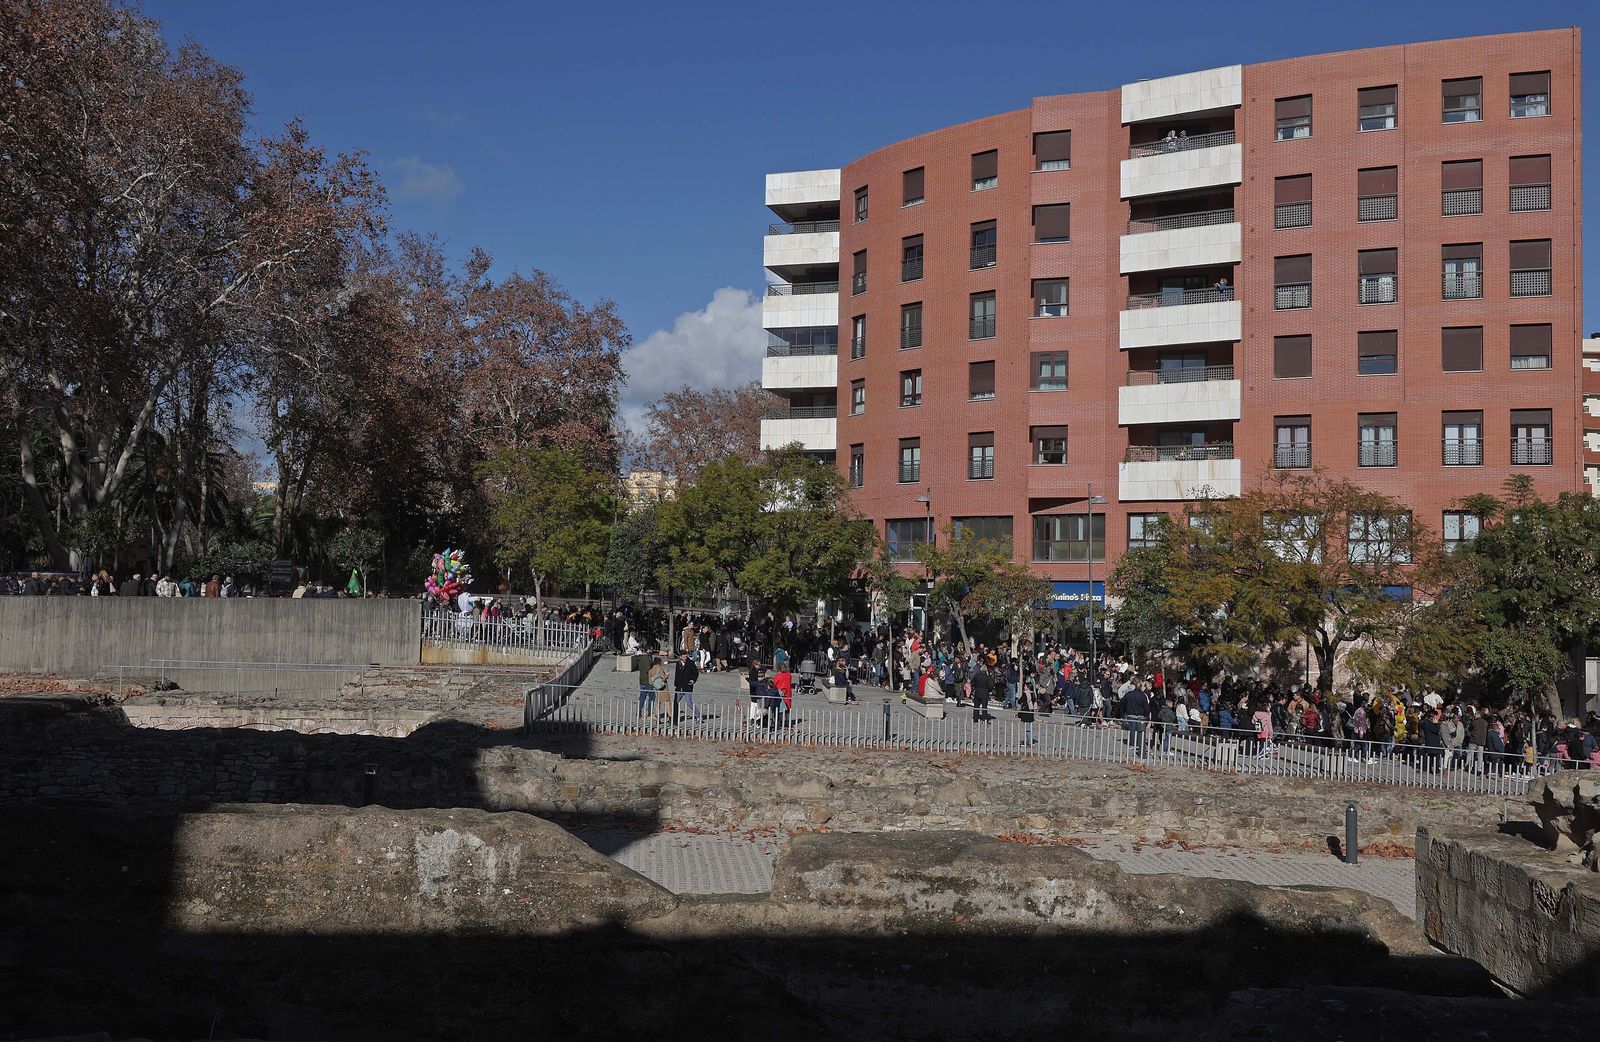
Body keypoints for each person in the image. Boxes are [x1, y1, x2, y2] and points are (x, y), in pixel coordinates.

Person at [672, 650, 698, 725]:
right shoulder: (678, 664)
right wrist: (676, 684)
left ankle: (698, 715)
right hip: (679, 687)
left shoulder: (691, 663)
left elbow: (696, 673)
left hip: (687, 687)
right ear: (680, 657)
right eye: (683, 657)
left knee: (689, 702)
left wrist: (693, 680)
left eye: (686, 657)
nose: (685, 658)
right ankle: (675, 720)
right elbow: (677, 675)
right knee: (676, 703)